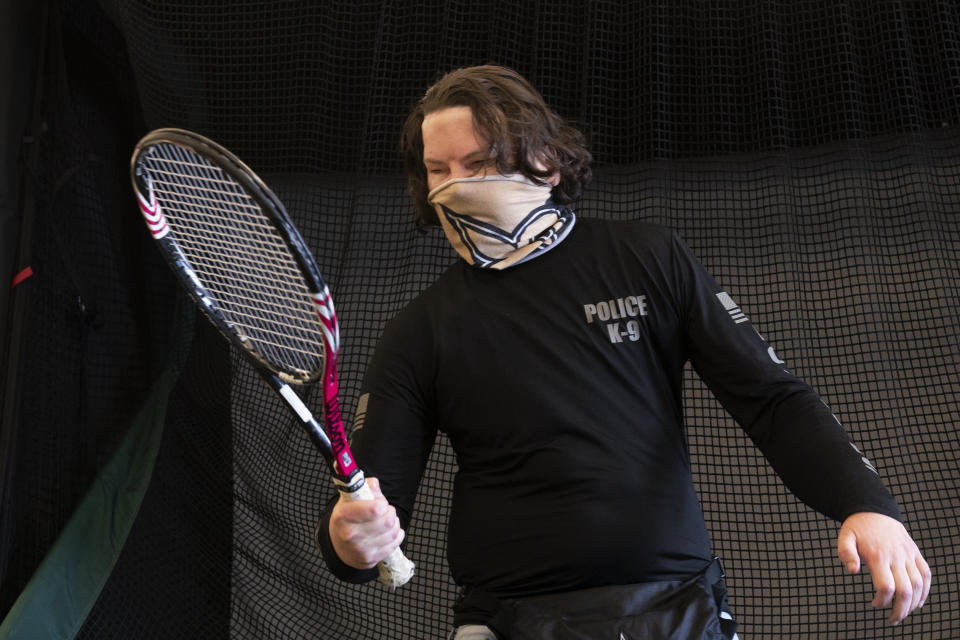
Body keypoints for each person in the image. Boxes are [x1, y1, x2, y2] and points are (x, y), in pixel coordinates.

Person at [317, 65, 931, 639]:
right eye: (439, 170)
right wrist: (351, 541)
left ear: (547, 163)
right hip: (507, 621)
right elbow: (368, 508)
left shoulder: (647, 258)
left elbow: (771, 399)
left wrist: (866, 504)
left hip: (679, 612)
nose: (456, 187)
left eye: (481, 163)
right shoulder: (419, 329)